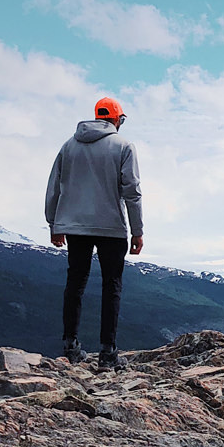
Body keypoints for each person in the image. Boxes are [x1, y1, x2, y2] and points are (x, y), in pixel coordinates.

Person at [45, 97, 143, 368]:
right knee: (111, 286)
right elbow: (132, 192)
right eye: (121, 120)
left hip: (75, 227)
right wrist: (137, 231)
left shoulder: (69, 145)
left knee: (75, 283)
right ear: (116, 119)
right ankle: (108, 353)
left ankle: (70, 345)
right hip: (111, 227)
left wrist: (55, 223)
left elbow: (54, 186)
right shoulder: (123, 147)